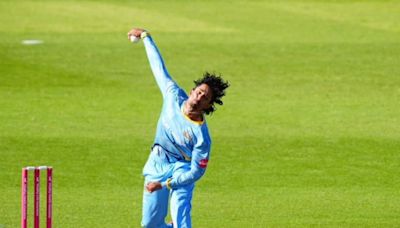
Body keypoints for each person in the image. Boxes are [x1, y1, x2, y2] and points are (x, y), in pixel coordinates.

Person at [127, 28, 229, 228]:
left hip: (182, 170)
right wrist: (146, 37)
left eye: (205, 98)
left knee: (181, 219)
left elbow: (196, 172)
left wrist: (168, 184)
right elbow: (159, 69)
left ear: (208, 106)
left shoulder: (201, 137)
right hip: (157, 162)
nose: (199, 98)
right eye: (199, 92)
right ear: (191, 91)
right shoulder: (173, 96)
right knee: (149, 224)